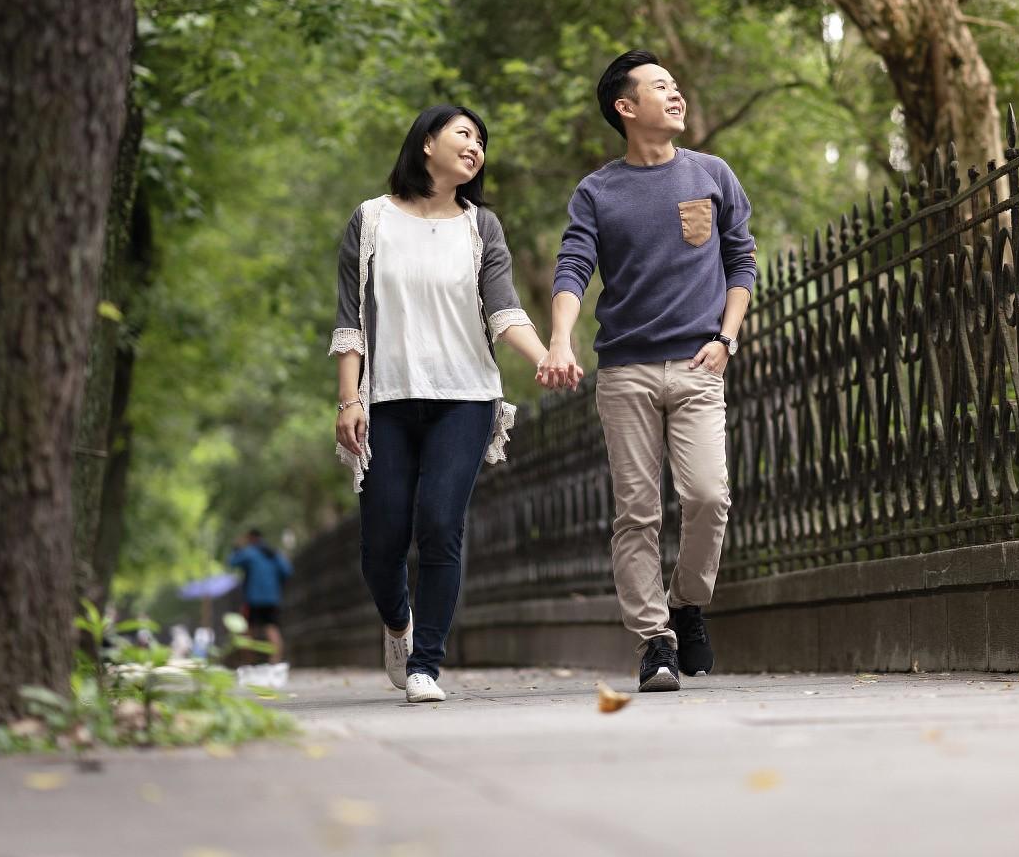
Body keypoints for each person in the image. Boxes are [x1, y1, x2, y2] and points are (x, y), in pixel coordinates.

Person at [538, 52, 756, 693]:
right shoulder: (597, 191)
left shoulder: (712, 174)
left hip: (699, 365)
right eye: (660, 86)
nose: (676, 93)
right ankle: (655, 641)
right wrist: (559, 339)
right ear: (625, 108)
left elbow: (742, 263)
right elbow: (573, 268)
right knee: (636, 514)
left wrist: (726, 339)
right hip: (625, 372)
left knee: (708, 496)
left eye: (676, 84)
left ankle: (689, 602)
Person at [331, 104, 556, 703]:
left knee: (439, 524)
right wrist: (348, 399)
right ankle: (398, 623)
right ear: (426, 143)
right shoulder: (371, 221)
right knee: (380, 547)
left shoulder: (481, 228)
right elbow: (350, 319)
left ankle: (425, 663)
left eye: (482, 140)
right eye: (464, 134)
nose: (476, 146)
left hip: (465, 396)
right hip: (388, 401)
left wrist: (542, 358)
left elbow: (503, 310)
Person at [226, 529, 293, 662]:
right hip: (272, 598)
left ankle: (249, 662)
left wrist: (237, 548)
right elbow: (287, 571)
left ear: (250, 538)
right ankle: (275, 661)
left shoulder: (250, 553)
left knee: (247, 631)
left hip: (253, 599)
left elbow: (232, 562)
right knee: (272, 628)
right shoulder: (273, 554)